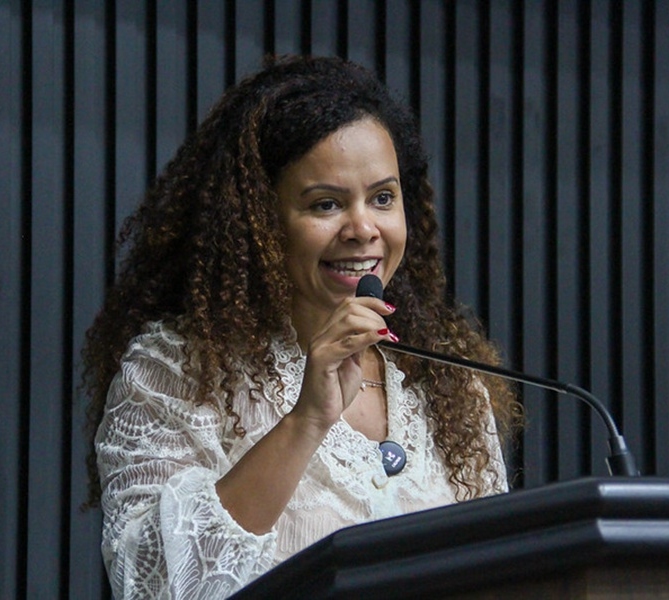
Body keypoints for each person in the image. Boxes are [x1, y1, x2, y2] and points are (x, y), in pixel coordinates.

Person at [82, 55, 521, 599]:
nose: (363, 228)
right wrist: (307, 419)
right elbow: (162, 587)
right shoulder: (173, 372)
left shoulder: (449, 385)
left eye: (383, 198)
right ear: (259, 220)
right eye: (326, 204)